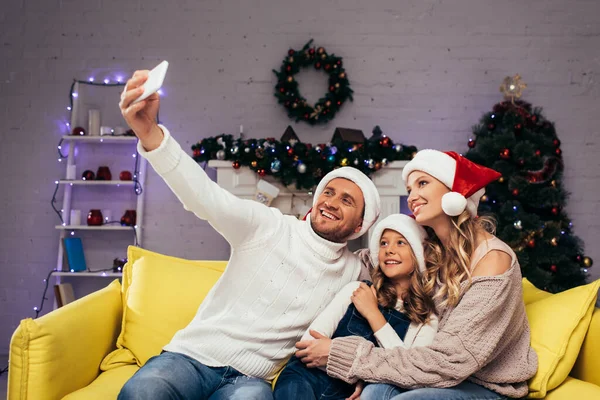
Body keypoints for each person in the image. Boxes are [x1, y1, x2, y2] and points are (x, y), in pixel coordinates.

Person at [117, 70, 382, 399]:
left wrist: (366, 375)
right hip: (190, 358)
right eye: (328, 192)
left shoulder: (355, 273)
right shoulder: (268, 225)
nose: (331, 202)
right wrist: (150, 133)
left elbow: (408, 281)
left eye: (347, 201)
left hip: (249, 381)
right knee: (143, 391)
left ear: (361, 226)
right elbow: (204, 196)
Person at [295, 150, 539, 399]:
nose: (412, 197)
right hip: (428, 373)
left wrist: (346, 357)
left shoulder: (492, 261)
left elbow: (450, 362)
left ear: (454, 193)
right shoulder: (428, 248)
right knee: (373, 393)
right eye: (410, 189)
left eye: (423, 183)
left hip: (483, 384)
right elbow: (369, 261)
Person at [274, 214, 438, 400]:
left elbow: (405, 370)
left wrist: (373, 314)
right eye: (383, 243)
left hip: (351, 393)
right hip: (305, 378)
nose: (389, 250)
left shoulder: (426, 318)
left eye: (401, 243)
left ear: (419, 253)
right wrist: (361, 371)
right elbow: (308, 345)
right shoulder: (356, 291)